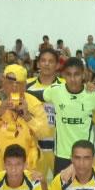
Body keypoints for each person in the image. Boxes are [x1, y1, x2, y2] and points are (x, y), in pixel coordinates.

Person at [41, 57, 95, 190]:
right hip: (62, 154)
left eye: (77, 74)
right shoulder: (55, 91)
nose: (73, 79)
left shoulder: (93, 95)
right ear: (63, 76)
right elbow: (39, 93)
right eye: (69, 75)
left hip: (86, 157)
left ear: (83, 75)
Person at [0, 64, 48, 176]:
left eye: (18, 83)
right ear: (3, 82)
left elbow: (44, 133)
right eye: (10, 83)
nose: (14, 87)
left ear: (25, 85)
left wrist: (27, 117)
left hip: (27, 168)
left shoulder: (33, 103)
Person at [26, 48, 65, 178]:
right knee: (35, 189)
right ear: (37, 64)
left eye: (51, 61)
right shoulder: (26, 86)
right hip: (34, 147)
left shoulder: (65, 86)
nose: (46, 64)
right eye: (43, 60)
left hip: (60, 147)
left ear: (57, 65)